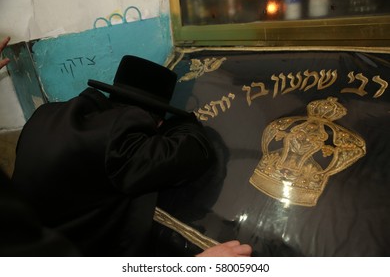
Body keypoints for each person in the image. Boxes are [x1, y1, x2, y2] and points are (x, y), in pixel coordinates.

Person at [9, 51, 252, 257]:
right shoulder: (121, 141)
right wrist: (180, 120)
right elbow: (195, 150)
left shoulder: (46, 114)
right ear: (156, 123)